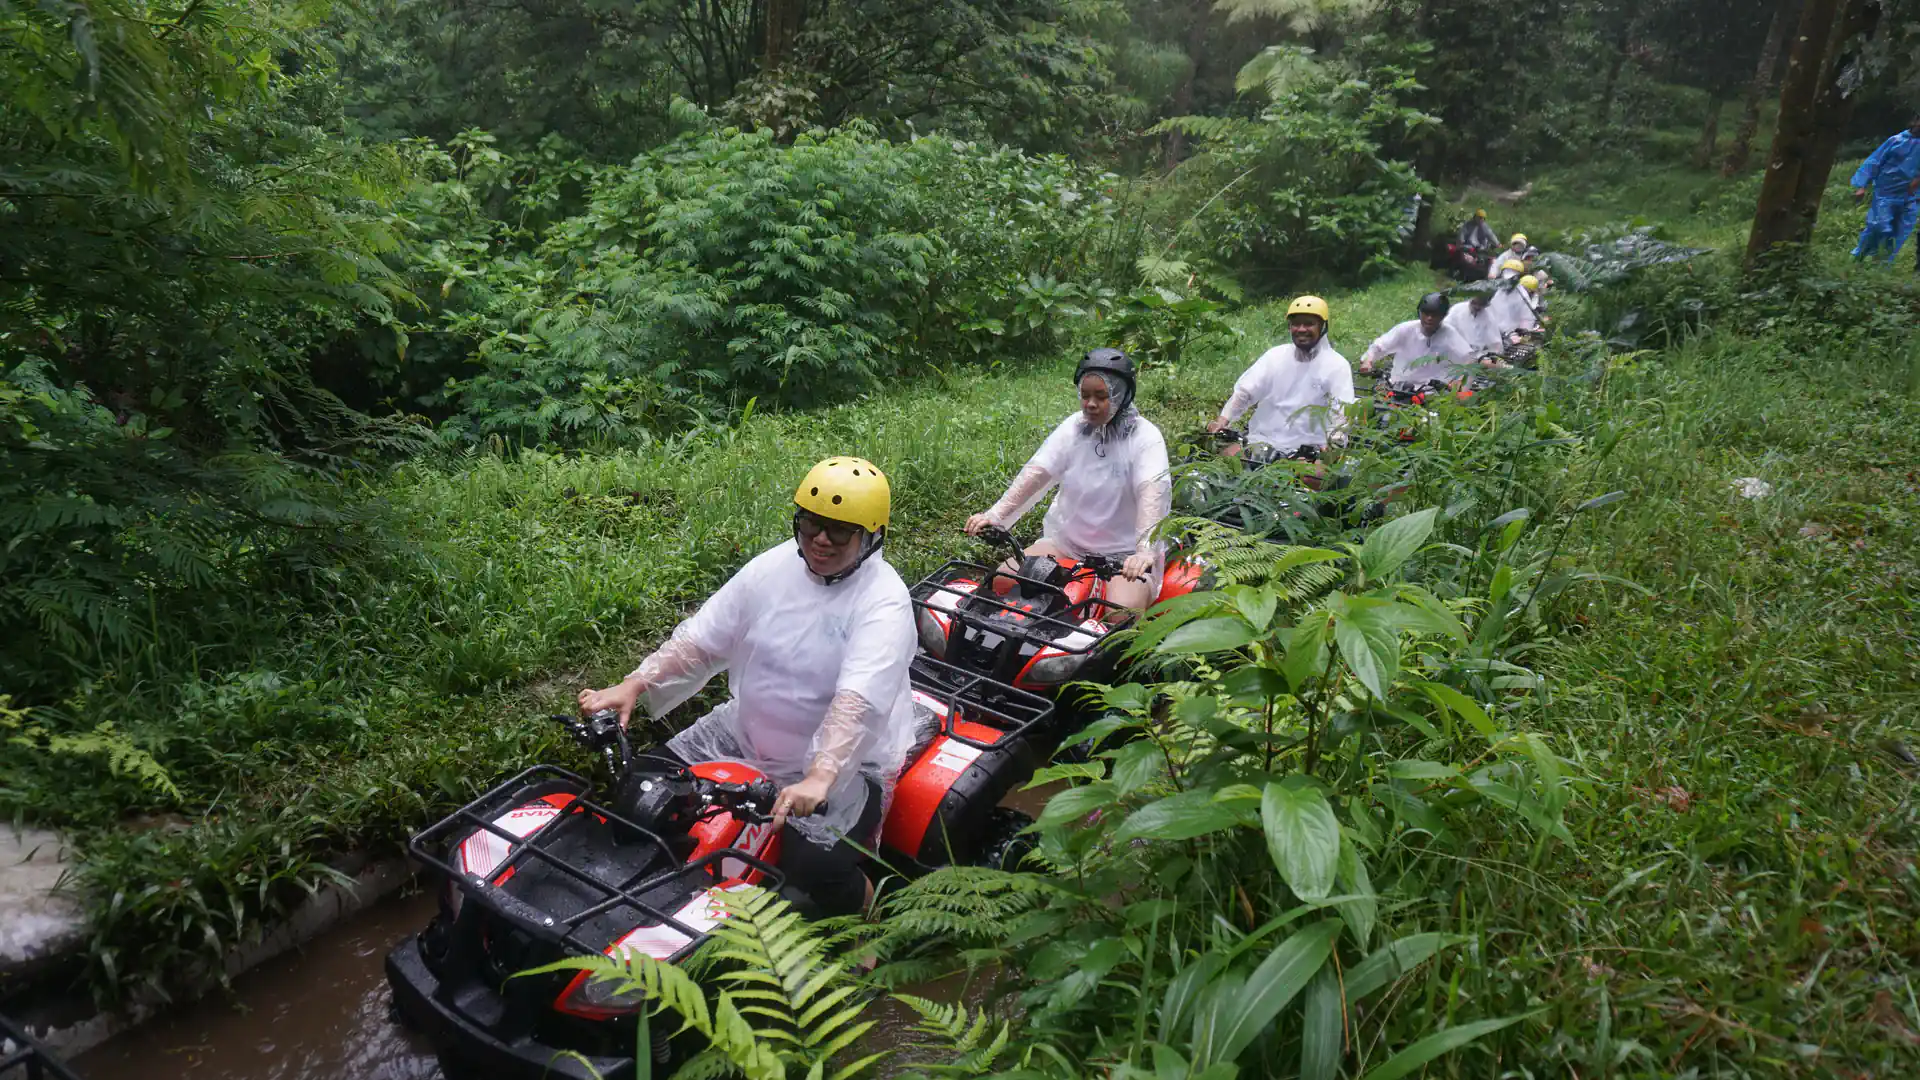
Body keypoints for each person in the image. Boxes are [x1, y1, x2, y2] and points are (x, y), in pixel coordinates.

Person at [576, 456, 915, 919]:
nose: (820, 539)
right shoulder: (771, 570)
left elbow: (857, 702)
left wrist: (819, 776)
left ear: (871, 537)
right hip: (742, 730)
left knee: (813, 864)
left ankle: (866, 917)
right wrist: (636, 682)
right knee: (642, 789)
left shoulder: (884, 602)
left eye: (840, 530)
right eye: (812, 522)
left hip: (846, 764)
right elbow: (701, 639)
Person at [964, 348, 1170, 619]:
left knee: (1119, 616)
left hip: (1122, 558)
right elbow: (1037, 472)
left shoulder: (1145, 438)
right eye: (1085, 396)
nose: (1090, 404)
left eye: (1101, 396)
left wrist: (1143, 552)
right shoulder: (1074, 427)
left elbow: (1152, 491)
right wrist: (995, 515)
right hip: (1067, 545)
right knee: (1000, 581)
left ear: (1122, 395)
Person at [1206, 295, 1356, 458]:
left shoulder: (1337, 365)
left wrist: (1333, 445)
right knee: (1225, 462)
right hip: (1260, 443)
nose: (1301, 329)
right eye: (1295, 324)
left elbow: (1342, 412)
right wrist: (1223, 420)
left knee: (1313, 478)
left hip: (1308, 451)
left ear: (1323, 327)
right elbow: (1246, 392)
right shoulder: (1275, 356)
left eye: (1309, 323)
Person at [1359, 293, 1476, 387]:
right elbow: (1379, 345)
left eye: (1434, 315)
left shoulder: (1449, 334)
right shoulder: (1406, 329)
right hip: (1398, 386)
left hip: (1432, 391)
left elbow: (1470, 358)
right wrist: (1368, 360)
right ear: (1419, 312)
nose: (1429, 318)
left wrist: (1461, 382)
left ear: (1443, 316)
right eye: (1426, 313)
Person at [1851, 115, 1920, 264]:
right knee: (1879, 226)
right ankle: (1860, 256)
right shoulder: (1896, 141)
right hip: (1886, 193)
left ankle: (1882, 265)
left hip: (1911, 196)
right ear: (1915, 121)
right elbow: (1874, 162)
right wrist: (1862, 185)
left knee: (1900, 231)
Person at [1443, 290, 1503, 359]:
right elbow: (1445, 331)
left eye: (1481, 305)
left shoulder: (1488, 317)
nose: (1477, 307)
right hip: (1457, 354)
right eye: (1474, 303)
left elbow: (1495, 343)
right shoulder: (1456, 310)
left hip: (1479, 357)